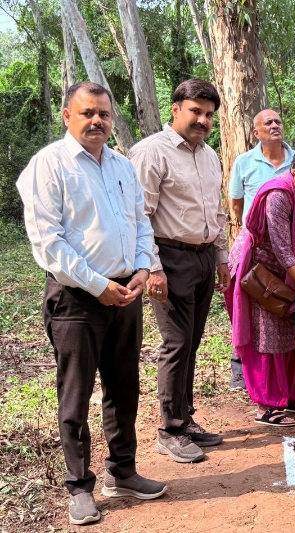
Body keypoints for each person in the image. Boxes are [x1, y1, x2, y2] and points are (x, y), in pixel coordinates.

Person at [16, 81, 166, 525]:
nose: (97, 120)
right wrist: (97, 284)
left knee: (124, 385)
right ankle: (79, 486)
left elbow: (140, 221)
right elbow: (48, 242)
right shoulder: (49, 165)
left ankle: (122, 471)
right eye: (87, 113)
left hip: (126, 291)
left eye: (104, 113)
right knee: (76, 392)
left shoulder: (121, 165)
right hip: (77, 298)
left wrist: (142, 267)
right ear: (68, 116)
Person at [128, 79, 229, 464]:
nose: (203, 120)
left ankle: (185, 420)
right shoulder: (151, 152)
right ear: (176, 109)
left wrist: (221, 257)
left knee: (192, 342)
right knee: (176, 343)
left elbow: (216, 210)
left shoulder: (209, 155)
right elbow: (139, 215)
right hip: (168, 258)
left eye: (209, 114)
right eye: (196, 112)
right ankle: (170, 431)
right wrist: (152, 268)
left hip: (202, 258)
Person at [226, 139, 295, 427]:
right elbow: (282, 251)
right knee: (266, 335)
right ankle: (266, 405)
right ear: (293, 170)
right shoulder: (278, 196)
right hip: (260, 270)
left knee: (292, 332)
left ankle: (291, 397)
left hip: (290, 268)